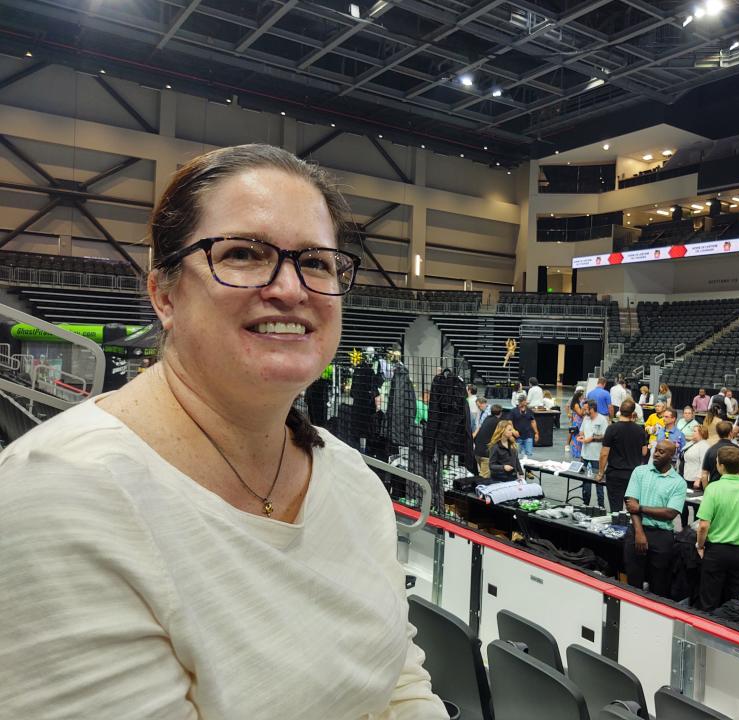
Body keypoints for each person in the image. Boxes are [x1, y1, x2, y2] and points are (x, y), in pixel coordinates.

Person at [0, 144, 446, 717]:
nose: (291, 288)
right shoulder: (60, 500)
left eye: (316, 261)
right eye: (243, 253)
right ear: (164, 294)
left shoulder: (352, 480)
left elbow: (399, 683)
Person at [696, 446, 739, 612]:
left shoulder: (713, 489)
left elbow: (704, 525)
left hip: (716, 552)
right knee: (736, 604)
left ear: (720, 465)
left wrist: (700, 546)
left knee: (709, 600)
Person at [624, 440, 686, 597]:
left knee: (659, 585)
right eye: (656, 450)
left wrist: (641, 508)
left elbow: (670, 513)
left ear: (672, 456)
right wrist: (639, 533)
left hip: (661, 537)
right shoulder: (640, 471)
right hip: (637, 530)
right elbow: (631, 504)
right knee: (633, 583)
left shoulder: (678, 483)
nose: (656, 454)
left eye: (662, 451)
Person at [597, 399, 648, 512]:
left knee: (616, 508)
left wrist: (600, 472)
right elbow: (644, 452)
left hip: (615, 474)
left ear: (620, 410)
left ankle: (617, 528)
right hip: (633, 475)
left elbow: (604, 453)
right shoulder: (640, 431)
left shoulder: (612, 429)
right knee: (632, 508)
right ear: (633, 413)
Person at [577, 399, 609, 507]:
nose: (584, 411)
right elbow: (582, 430)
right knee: (585, 481)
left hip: (597, 456)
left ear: (592, 409)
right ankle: (585, 504)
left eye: (586, 409)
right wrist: (581, 435)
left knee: (598, 481)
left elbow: (605, 436)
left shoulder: (602, 420)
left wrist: (592, 439)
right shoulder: (586, 418)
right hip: (585, 454)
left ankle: (601, 506)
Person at [699, 421, 739, 489]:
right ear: (731, 433)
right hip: (734, 489)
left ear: (718, 433)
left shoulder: (710, 450)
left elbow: (704, 475)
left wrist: (707, 491)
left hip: (714, 489)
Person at [473, 404, 503, 478]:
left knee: (483, 474)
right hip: (485, 454)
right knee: (484, 478)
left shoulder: (487, 418)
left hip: (477, 451)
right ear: (501, 412)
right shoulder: (498, 422)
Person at [568, 386, 586, 458]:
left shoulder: (577, 404)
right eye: (581, 397)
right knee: (576, 437)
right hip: (577, 422)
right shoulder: (576, 405)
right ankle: (576, 453)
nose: (582, 398)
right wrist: (584, 407)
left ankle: (577, 452)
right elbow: (580, 413)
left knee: (577, 436)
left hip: (578, 421)